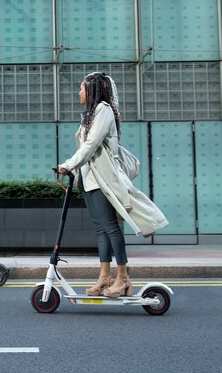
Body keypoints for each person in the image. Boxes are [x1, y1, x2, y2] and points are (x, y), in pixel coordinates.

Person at [58, 72, 168, 298]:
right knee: (101, 230)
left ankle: (122, 278)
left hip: (103, 179)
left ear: (92, 90)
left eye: (81, 88)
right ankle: (104, 277)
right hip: (88, 180)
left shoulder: (103, 110)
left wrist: (68, 164)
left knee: (111, 228)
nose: (78, 92)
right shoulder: (89, 115)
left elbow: (90, 145)